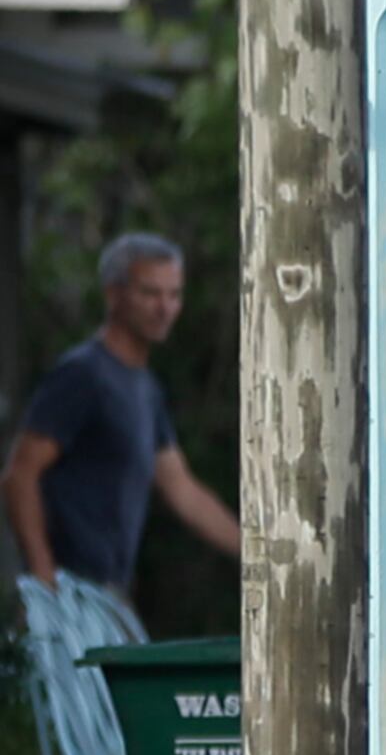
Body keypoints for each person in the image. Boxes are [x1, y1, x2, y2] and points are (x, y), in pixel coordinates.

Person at [5, 233, 241, 604]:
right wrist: (44, 577)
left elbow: (183, 492)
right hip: (67, 592)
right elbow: (20, 474)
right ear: (114, 294)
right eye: (150, 293)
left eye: (174, 294)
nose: (164, 308)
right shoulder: (83, 375)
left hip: (111, 595)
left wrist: (260, 554)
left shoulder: (147, 389)